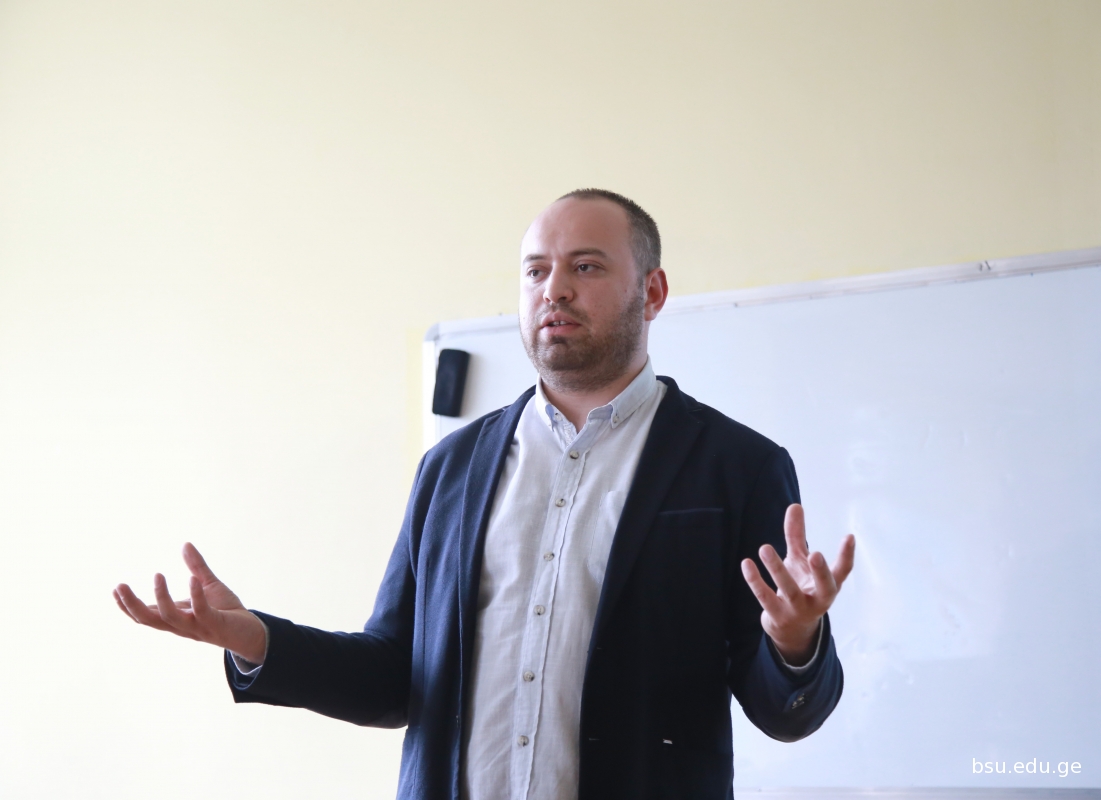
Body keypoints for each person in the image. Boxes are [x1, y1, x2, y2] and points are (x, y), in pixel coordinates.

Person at [115, 189, 856, 800]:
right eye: (535, 271)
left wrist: (794, 642)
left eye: (586, 266)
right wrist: (255, 639)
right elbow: (393, 678)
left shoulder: (737, 466)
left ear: (652, 291)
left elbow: (784, 713)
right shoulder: (451, 468)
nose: (554, 289)